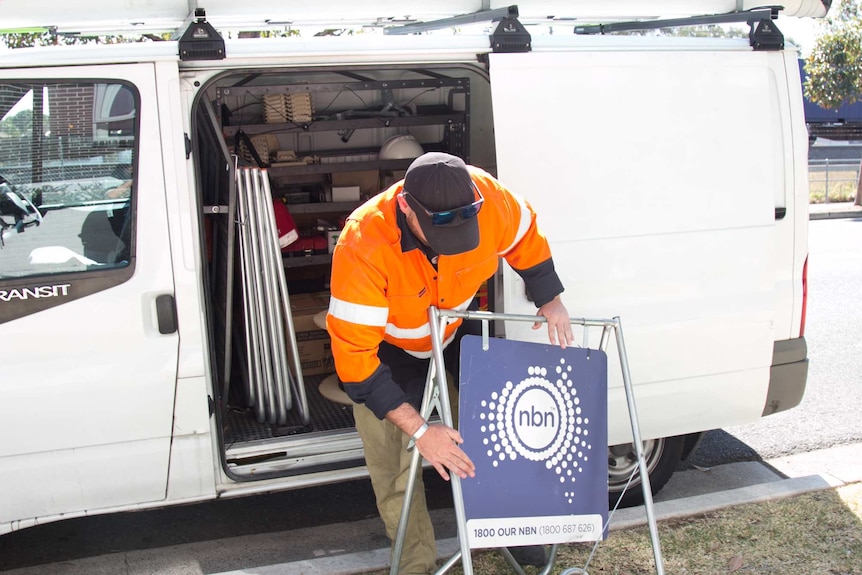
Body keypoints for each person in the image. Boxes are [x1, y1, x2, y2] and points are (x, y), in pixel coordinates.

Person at [327, 152, 574, 574]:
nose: (458, 239)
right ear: (406, 206)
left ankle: (511, 534)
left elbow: (525, 236)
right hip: (387, 351)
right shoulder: (362, 245)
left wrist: (549, 298)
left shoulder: (491, 198)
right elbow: (355, 365)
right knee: (395, 470)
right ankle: (415, 564)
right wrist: (422, 431)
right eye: (444, 232)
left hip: (453, 334)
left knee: (493, 441)